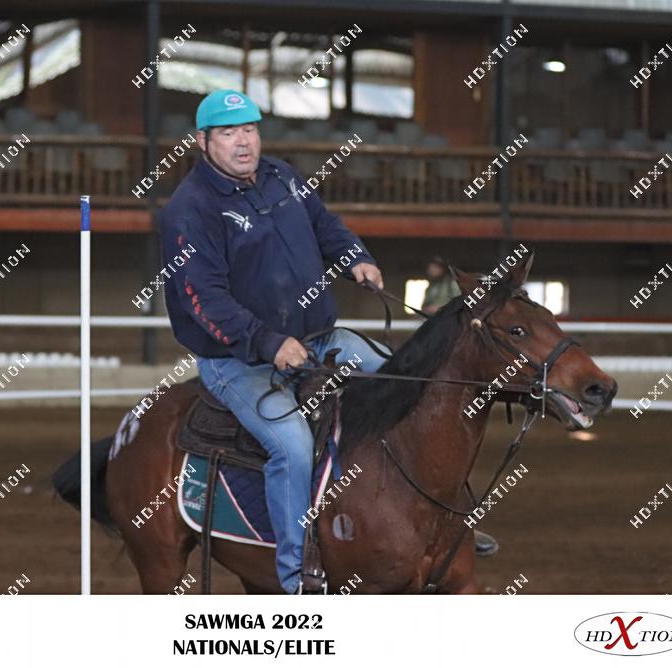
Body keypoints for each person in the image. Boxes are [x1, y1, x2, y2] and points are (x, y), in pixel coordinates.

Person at [158, 90, 493, 593]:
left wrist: (354, 255)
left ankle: (445, 524)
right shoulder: (189, 211)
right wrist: (268, 342)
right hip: (239, 361)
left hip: (320, 339)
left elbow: (324, 226)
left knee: (414, 387)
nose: (243, 142)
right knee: (293, 447)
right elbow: (203, 300)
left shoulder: (282, 176)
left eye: (249, 129)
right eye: (228, 133)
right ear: (203, 142)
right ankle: (296, 573)